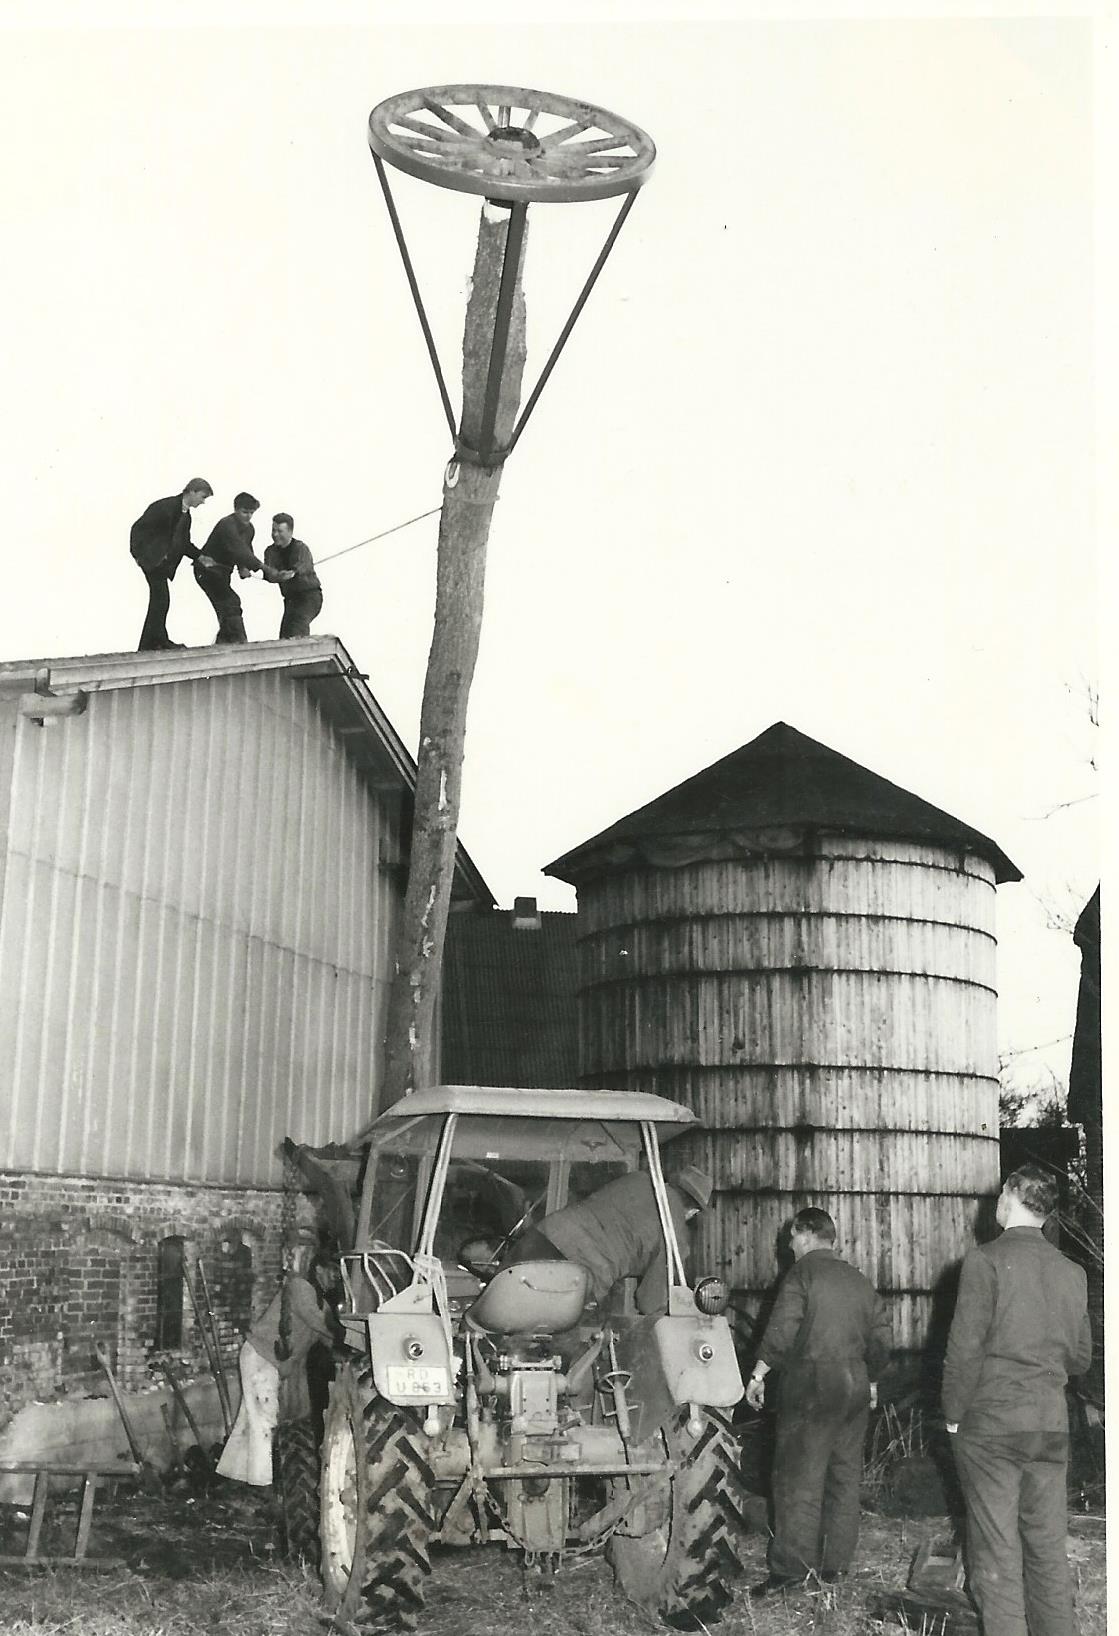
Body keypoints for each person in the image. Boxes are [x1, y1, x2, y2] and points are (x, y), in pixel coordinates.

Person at [943, 1164, 1091, 1636]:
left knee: (996, 1555)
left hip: (992, 1428)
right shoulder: (1072, 1271)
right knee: (1047, 1550)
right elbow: (1082, 1358)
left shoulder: (983, 1261)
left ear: (1009, 1197)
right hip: (1049, 1425)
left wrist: (951, 1415)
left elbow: (963, 1350)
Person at [745, 1207, 891, 1597]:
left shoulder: (801, 1274)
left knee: (798, 1477)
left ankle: (791, 1573)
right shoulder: (860, 1280)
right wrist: (871, 1378)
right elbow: (881, 1339)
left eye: (792, 1238)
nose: (790, 1246)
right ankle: (835, 1567)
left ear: (805, 1234)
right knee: (844, 1477)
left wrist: (759, 1374)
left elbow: (782, 1331)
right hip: (855, 1384)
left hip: (812, 1384)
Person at [502, 1164, 713, 1316]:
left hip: (543, 1236)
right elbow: (650, 1303)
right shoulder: (676, 1236)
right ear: (693, 1211)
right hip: (578, 1272)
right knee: (555, 1350)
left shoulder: (638, 1178)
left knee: (499, 1312)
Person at [216, 1238, 341, 1486]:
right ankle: (263, 1485)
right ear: (318, 1270)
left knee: (249, 1420)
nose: (336, 1279)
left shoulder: (322, 1304)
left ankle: (234, 1479)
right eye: (333, 1272)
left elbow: (328, 1341)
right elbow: (322, 1325)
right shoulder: (299, 1288)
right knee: (265, 1419)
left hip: (271, 1362)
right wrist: (347, 1333)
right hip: (261, 1356)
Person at [129, 478, 214, 651]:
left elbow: (184, 543)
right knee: (161, 599)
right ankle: (156, 642)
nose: (203, 502)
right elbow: (138, 529)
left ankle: (150, 643)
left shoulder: (185, 515)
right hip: (153, 561)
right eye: (202, 497)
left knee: (160, 600)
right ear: (192, 491)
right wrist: (139, 555)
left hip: (161, 564)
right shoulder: (165, 507)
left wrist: (200, 557)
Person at [194, 492, 278, 645]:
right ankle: (239, 641)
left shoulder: (249, 529)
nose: (248, 516)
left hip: (222, 573)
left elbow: (246, 550)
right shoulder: (227, 524)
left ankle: (223, 642)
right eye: (244, 512)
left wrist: (243, 567)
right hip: (207, 571)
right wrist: (265, 568)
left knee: (226, 607)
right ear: (235, 509)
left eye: (251, 513)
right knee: (231, 601)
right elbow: (238, 549)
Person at [263, 513, 323, 639]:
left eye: (280, 531)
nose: (275, 535)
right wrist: (276, 576)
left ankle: (303, 654)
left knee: (298, 625)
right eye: (273, 530)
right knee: (285, 635)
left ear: (290, 532)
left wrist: (292, 572)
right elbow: (268, 574)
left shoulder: (300, 548)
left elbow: (302, 565)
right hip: (290, 600)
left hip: (309, 596)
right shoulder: (270, 551)